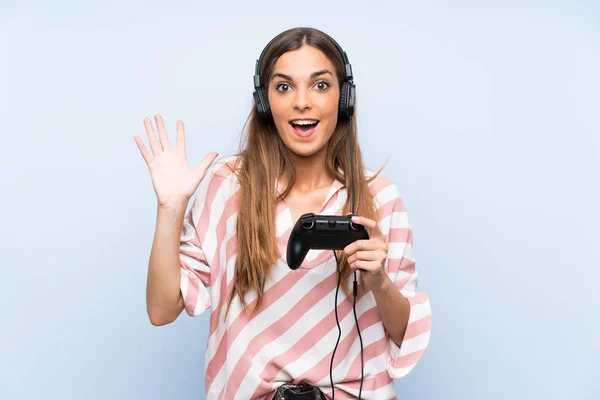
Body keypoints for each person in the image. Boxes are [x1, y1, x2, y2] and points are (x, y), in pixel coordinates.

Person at [134, 27, 431, 400]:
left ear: (344, 99)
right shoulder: (229, 186)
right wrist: (170, 208)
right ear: (264, 102)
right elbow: (161, 310)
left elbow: (405, 335)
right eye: (284, 87)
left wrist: (380, 283)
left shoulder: (380, 198)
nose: (302, 102)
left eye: (320, 86)